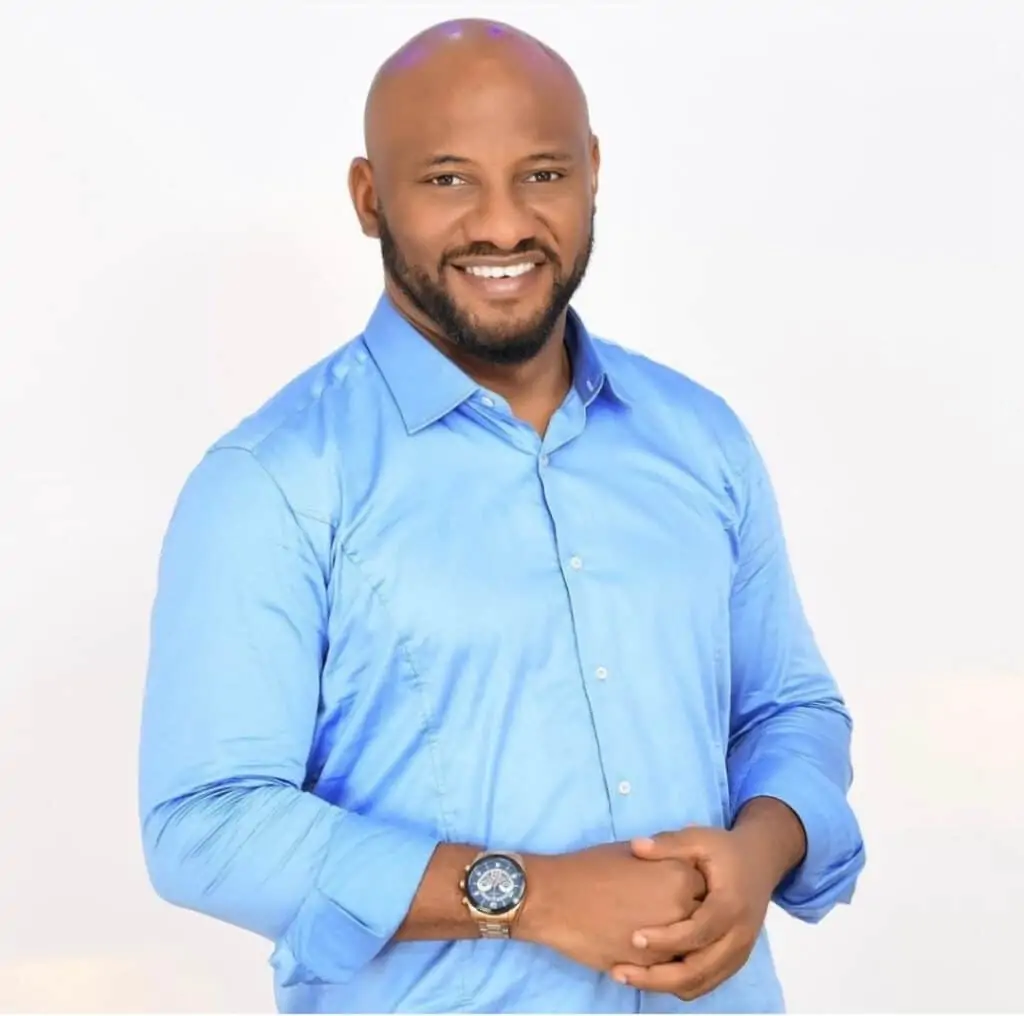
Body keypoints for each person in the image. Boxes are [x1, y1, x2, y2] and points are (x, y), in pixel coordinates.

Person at [139, 17, 865, 1015]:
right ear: (369, 197)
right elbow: (203, 823)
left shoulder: (699, 439)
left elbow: (788, 708)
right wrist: (530, 896)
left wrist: (762, 846)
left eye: (542, 174)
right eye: (448, 179)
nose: (503, 224)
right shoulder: (275, 480)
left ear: (593, 172)